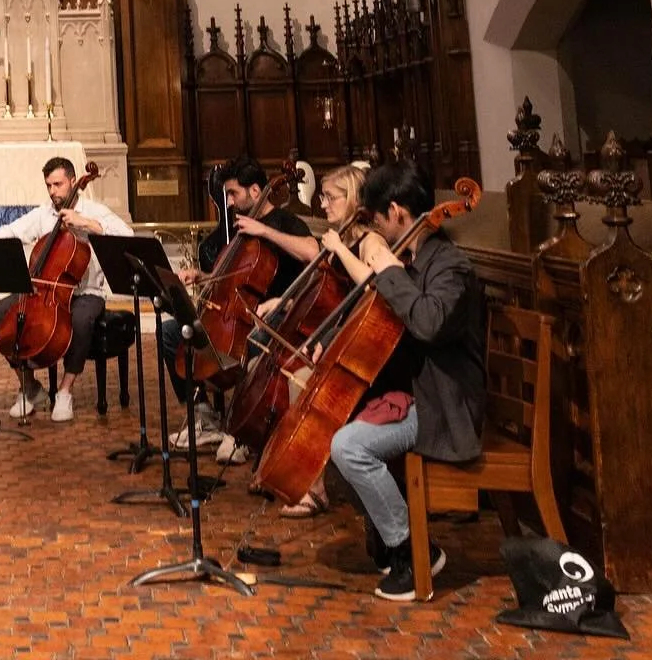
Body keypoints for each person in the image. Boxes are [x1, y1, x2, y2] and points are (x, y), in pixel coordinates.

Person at [323, 161, 486, 602]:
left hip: (447, 407)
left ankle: (413, 552)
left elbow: (429, 324)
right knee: (331, 430)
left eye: (377, 221)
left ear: (396, 212)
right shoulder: (417, 259)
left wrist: (386, 268)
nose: (376, 231)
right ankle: (389, 535)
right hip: (422, 395)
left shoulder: (451, 266)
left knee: (349, 447)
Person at [165, 156, 314, 459]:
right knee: (170, 333)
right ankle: (203, 413)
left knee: (254, 341)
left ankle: (242, 428)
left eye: (234, 193)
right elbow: (235, 277)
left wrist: (266, 232)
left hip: (276, 314)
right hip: (237, 312)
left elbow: (313, 252)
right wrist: (204, 276)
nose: (229, 202)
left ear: (257, 191)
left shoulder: (286, 223)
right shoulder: (239, 228)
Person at [256, 163, 366, 518]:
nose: (324, 204)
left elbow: (371, 288)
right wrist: (285, 301)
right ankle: (284, 470)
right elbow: (322, 294)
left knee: (301, 380)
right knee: (287, 371)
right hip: (337, 335)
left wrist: (338, 248)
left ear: (352, 199)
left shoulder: (367, 241)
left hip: (356, 344)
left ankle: (314, 488)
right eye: (323, 196)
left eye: (331, 197)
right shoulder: (342, 238)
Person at [0, 155, 132, 424]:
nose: (53, 192)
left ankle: (65, 391)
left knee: (80, 319)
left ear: (71, 180)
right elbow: (11, 231)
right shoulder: (44, 213)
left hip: (86, 293)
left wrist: (86, 223)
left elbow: (127, 236)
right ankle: (30, 388)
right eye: (49, 186)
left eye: (58, 184)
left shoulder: (93, 210)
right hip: (45, 292)